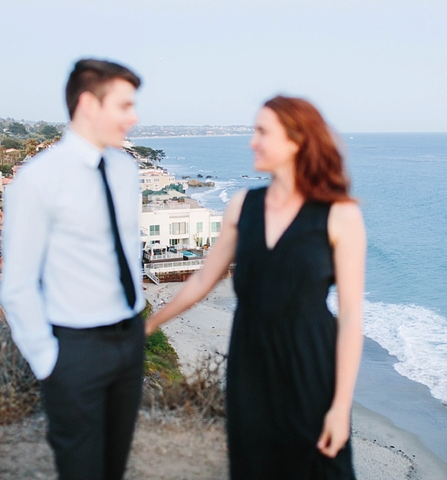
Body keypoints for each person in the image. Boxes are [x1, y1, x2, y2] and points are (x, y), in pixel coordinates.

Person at [145, 96, 366, 479]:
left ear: (296, 140)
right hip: (250, 363)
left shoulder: (340, 214)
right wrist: (146, 326)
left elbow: (350, 316)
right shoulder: (241, 206)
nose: (253, 142)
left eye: (263, 132)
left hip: (309, 364)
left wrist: (340, 406)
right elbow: (201, 279)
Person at [0, 58, 145, 480]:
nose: (134, 118)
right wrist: (49, 363)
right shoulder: (38, 179)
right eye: (124, 106)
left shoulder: (126, 169)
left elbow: (126, 251)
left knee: (113, 467)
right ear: (87, 104)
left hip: (129, 339)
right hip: (75, 350)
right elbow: (17, 285)